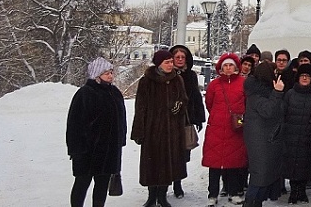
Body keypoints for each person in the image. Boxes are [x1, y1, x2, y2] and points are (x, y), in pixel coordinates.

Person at [131, 49, 189, 207]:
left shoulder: (177, 80)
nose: (171, 65)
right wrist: (139, 131)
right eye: (167, 62)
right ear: (158, 64)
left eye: (171, 62)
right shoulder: (146, 81)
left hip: (172, 130)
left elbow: (184, 99)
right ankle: (151, 196)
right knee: (152, 163)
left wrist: (180, 105)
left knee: (168, 163)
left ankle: (162, 196)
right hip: (152, 129)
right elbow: (140, 107)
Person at [66, 57, 126, 207]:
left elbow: (121, 119)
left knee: (102, 184)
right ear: (96, 75)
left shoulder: (115, 93)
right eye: (106, 73)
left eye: (111, 72)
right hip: (87, 151)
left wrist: (120, 141)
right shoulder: (85, 94)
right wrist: (76, 150)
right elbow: (74, 124)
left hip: (109, 150)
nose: (111, 76)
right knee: (82, 183)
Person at [203, 53, 248, 206]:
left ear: (236, 67)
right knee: (214, 163)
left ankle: (234, 192)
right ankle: (212, 193)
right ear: (221, 68)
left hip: (235, 128)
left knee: (234, 162)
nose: (228, 68)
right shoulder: (214, 85)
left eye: (231, 65)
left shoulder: (243, 83)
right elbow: (209, 103)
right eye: (225, 66)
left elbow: (247, 103)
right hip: (216, 127)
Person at [244, 61, 286, 207]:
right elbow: (268, 111)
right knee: (260, 175)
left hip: (267, 138)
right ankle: (250, 203)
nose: (276, 75)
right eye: (274, 72)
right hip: (260, 141)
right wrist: (278, 93)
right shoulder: (257, 93)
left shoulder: (263, 90)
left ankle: (256, 202)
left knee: (265, 174)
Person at [170, 44, 206, 199]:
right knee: (167, 154)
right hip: (168, 120)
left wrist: (198, 118)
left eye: (182, 57)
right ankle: (163, 184)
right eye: (176, 57)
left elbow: (196, 97)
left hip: (185, 119)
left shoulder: (190, 75)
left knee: (181, 154)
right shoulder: (166, 73)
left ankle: (177, 184)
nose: (179, 59)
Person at [283, 63, 311, 204]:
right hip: (291, 134)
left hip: (308, 134)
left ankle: (302, 190)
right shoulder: (290, 93)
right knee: (292, 164)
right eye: (302, 76)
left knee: (306, 164)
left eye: (308, 76)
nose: (305, 78)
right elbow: (284, 111)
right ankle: (294, 191)